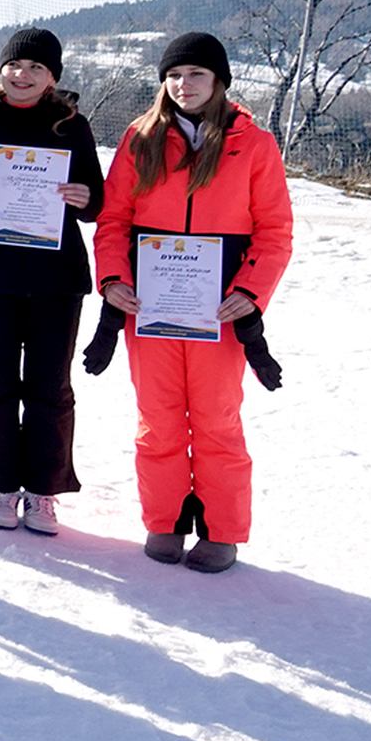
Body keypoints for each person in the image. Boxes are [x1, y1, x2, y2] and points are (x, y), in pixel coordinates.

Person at [93, 32, 293, 573]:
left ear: (219, 80)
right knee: (157, 419)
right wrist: (112, 279)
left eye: (196, 74)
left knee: (216, 421)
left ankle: (222, 531)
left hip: (218, 312)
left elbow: (275, 231)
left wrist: (250, 292)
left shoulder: (253, 144)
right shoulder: (140, 138)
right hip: (150, 309)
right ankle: (164, 520)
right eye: (175, 75)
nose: (184, 85)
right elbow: (113, 221)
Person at [0, 29, 105, 535]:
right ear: (1, 70)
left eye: (35, 68)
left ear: (52, 78)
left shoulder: (72, 127)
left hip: (56, 279)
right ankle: (1, 483)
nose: (22, 75)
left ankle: (44, 490)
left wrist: (84, 199)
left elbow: (97, 200)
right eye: (14, 65)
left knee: (51, 385)